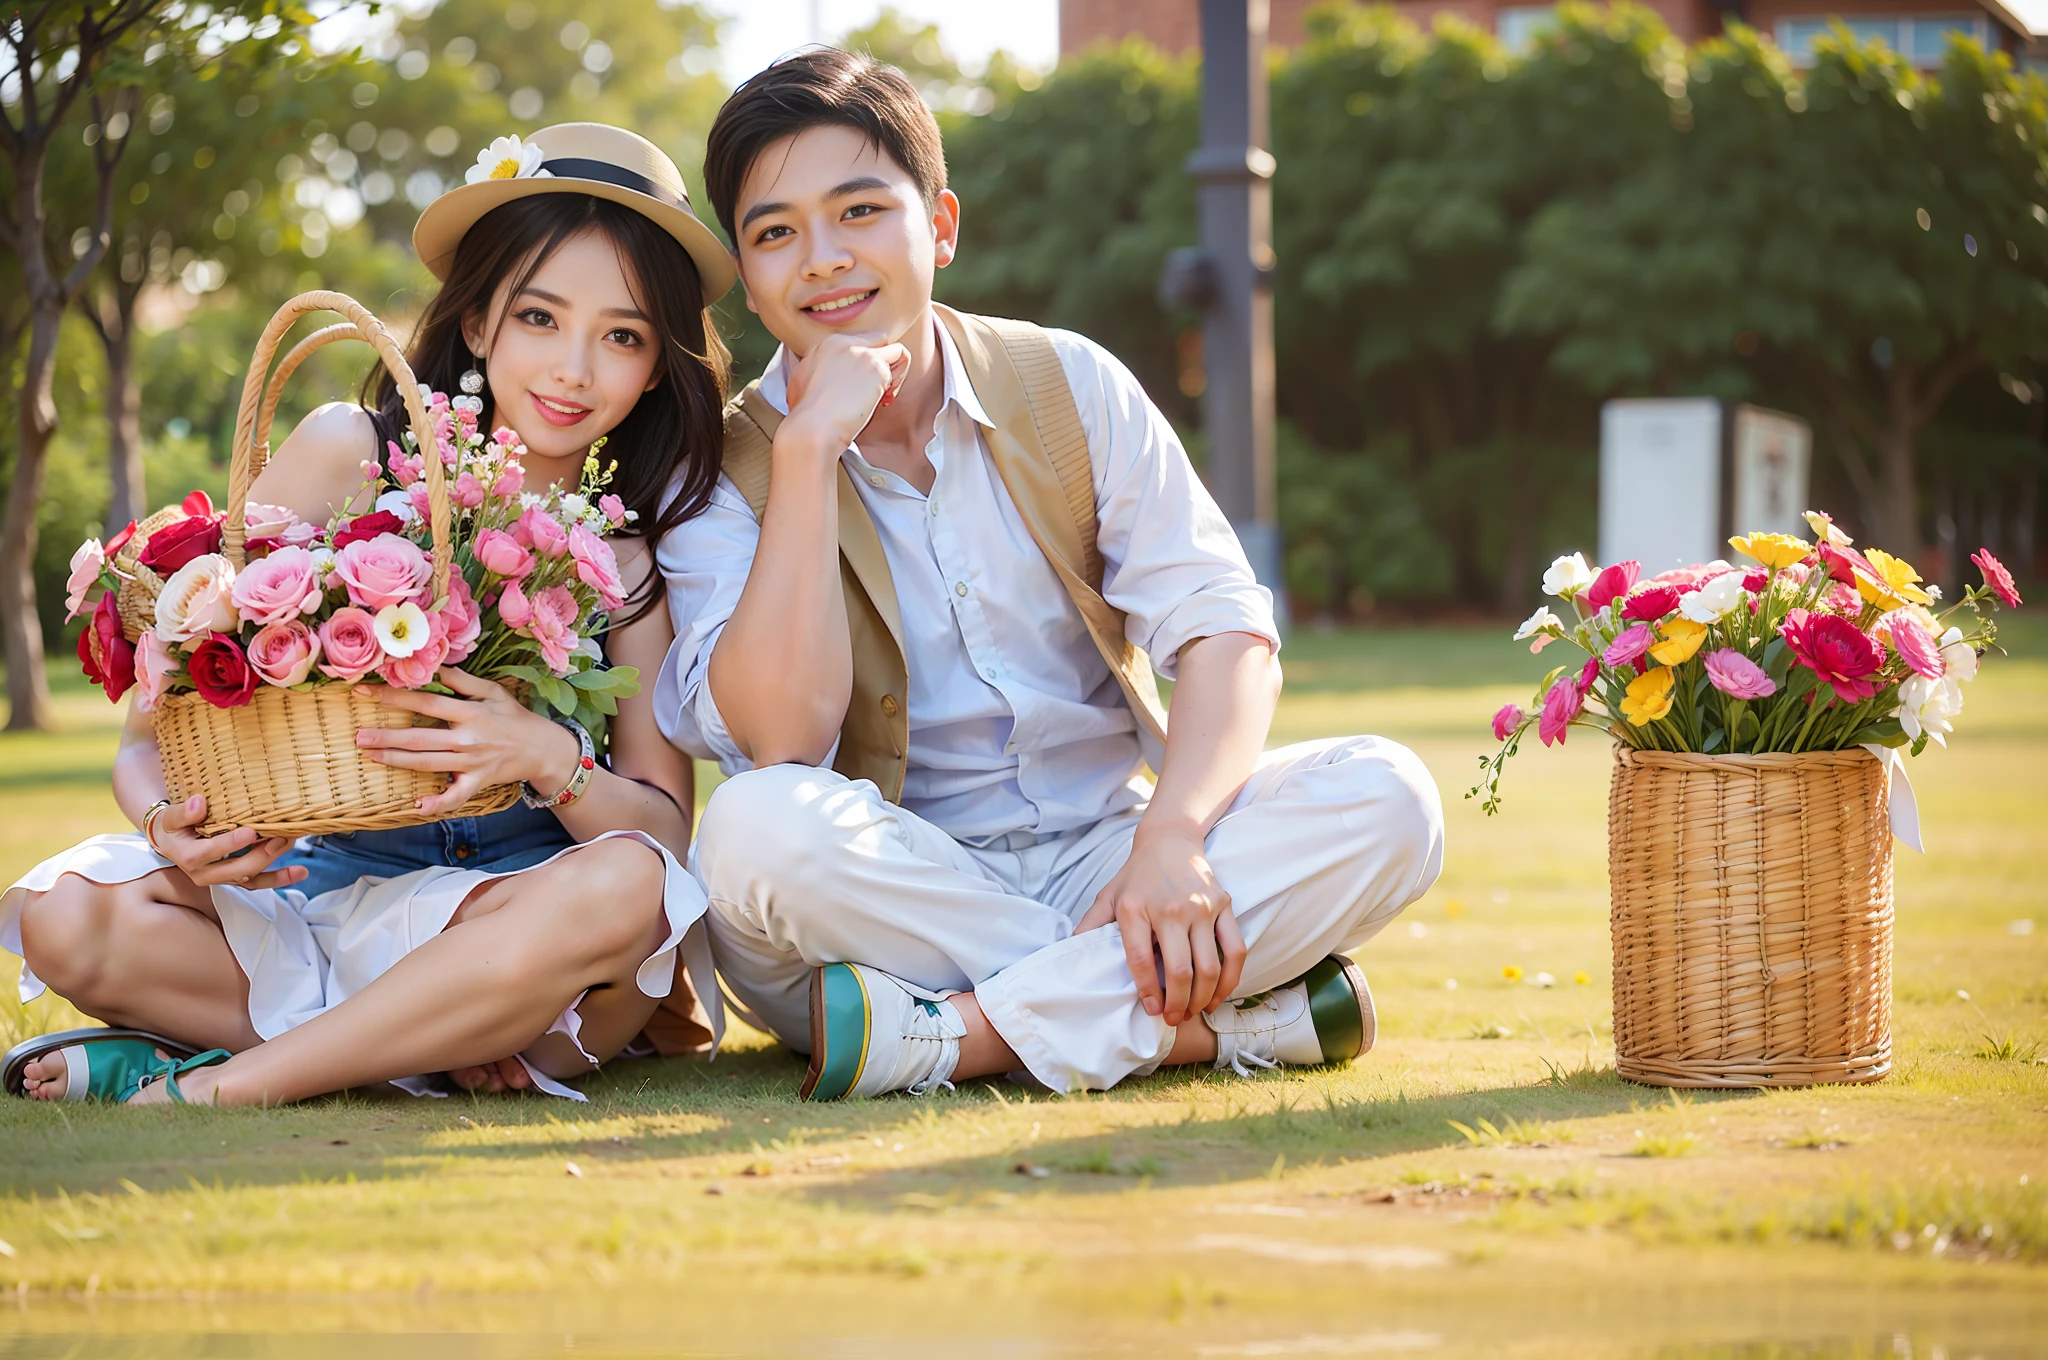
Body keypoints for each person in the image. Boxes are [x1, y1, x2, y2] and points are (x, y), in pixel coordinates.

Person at [659, 51, 1446, 1101]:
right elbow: (782, 742)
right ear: (748, 277)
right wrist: (806, 455)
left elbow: (1221, 632)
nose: (821, 260)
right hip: (885, 894)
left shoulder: (1065, 383)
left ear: (938, 225)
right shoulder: (719, 468)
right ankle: (1210, 1016)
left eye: (858, 212)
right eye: (775, 233)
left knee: (1391, 797)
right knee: (755, 827)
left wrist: (1167, 844)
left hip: (1109, 852)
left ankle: (952, 1037)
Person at [2, 123, 736, 1106]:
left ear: (654, 364)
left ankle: (229, 1081)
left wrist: (543, 757)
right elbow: (146, 740)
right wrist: (166, 827)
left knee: (631, 889)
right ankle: (424, 1043)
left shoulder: (627, 551)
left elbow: (663, 829)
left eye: (622, 335)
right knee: (66, 918)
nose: (573, 368)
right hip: (309, 888)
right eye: (539, 318)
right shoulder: (348, 450)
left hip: (502, 914)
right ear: (476, 321)